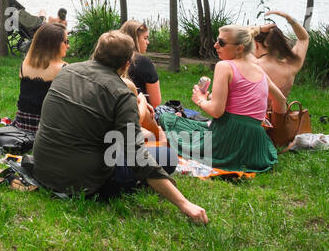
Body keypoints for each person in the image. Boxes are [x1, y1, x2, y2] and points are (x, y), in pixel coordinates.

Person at [30, 32, 205, 222]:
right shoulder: (121, 94)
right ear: (126, 64)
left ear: (96, 52)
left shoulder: (67, 71)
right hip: (81, 182)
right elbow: (137, 156)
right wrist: (184, 204)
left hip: (43, 168)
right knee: (167, 157)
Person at [160, 24, 287, 172]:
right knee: (198, 126)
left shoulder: (225, 66)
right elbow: (281, 100)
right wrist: (276, 131)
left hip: (227, 139)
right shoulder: (260, 71)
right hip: (255, 144)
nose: (215, 45)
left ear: (239, 48)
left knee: (168, 119)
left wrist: (200, 100)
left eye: (221, 42)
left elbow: (216, 112)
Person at [15, 21, 68, 136]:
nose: (68, 46)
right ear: (54, 44)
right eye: (66, 42)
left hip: (22, 125)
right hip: (47, 129)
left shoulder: (25, 64)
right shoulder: (64, 69)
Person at [251, 9, 310, 96]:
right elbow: (303, 39)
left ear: (256, 44)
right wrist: (289, 19)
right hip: (280, 109)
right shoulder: (290, 66)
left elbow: (230, 35)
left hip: (254, 110)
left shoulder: (250, 64)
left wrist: (257, 29)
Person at [118, 19, 162, 106]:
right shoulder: (143, 62)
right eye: (145, 38)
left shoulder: (113, 58)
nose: (147, 42)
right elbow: (155, 102)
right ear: (134, 39)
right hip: (139, 112)